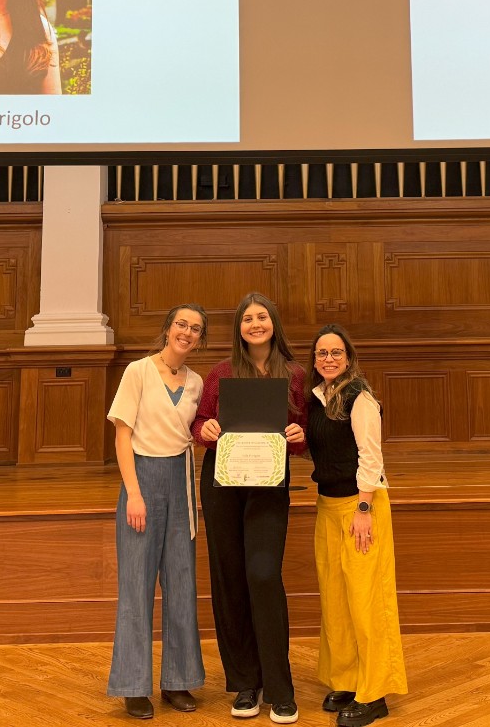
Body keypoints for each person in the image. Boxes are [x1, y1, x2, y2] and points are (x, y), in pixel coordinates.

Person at [192, 292, 308, 724]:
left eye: (261, 317)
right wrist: (208, 428)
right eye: (247, 319)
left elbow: (306, 435)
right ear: (238, 327)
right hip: (222, 483)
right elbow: (198, 424)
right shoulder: (220, 372)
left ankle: (280, 688)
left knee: (262, 574)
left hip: (268, 486)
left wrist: (299, 435)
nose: (255, 324)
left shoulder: (294, 374)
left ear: (273, 323)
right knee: (230, 578)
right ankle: (245, 684)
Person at [107, 304, 209, 719]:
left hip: (181, 482)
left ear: (200, 339)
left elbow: (198, 432)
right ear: (168, 328)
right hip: (142, 480)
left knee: (182, 584)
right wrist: (134, 492)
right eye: (181, 324)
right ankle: (133, 684)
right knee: (136, 585)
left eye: (196, 329)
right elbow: (122, 434)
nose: (187, 332)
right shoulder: (138, 371)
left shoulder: (198, 382)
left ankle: (177, 682)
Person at [304, 325, 407, 727]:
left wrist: (364, 508)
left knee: (366, 602)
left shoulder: (359, 398)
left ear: (348, 358)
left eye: (335, 353)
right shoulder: (316, 399)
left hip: (360, 507)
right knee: (337, 602)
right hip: (327, 506)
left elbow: (371, 456)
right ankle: (347, 680)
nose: (328, 359)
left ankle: (374, 693)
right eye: (321, 353)